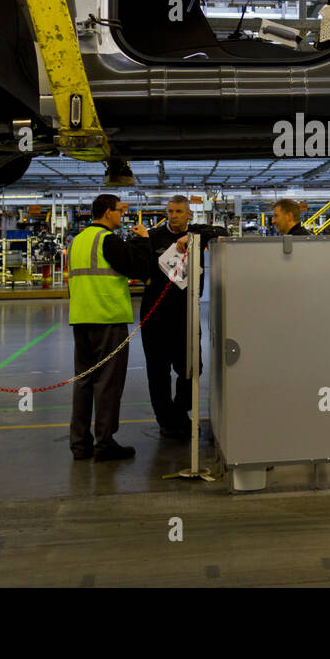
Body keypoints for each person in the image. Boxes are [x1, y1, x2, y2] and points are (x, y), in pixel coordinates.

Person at [66, 194, 154, 461]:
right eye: (119, 211)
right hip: (107, 319)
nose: (121, 216)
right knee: (107, 383)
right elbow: (138, 267)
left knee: (83, 382)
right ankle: (105, 443)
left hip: (81, 319)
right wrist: (144, 240)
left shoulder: (77, 241)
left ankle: (80, 444)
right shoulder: (108, 240)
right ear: (106, 212)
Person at [141, 195, 228, 439]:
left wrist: (190, 237)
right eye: (170, 211)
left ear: (189, 214)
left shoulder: (196, 235)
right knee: (158, 373)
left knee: (191, 367)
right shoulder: (153, 236)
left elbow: (222, 231)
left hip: (185, 313)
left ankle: (179, 411)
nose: (174, 216)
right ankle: (167, 421)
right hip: (155, 315)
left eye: (179, 211)